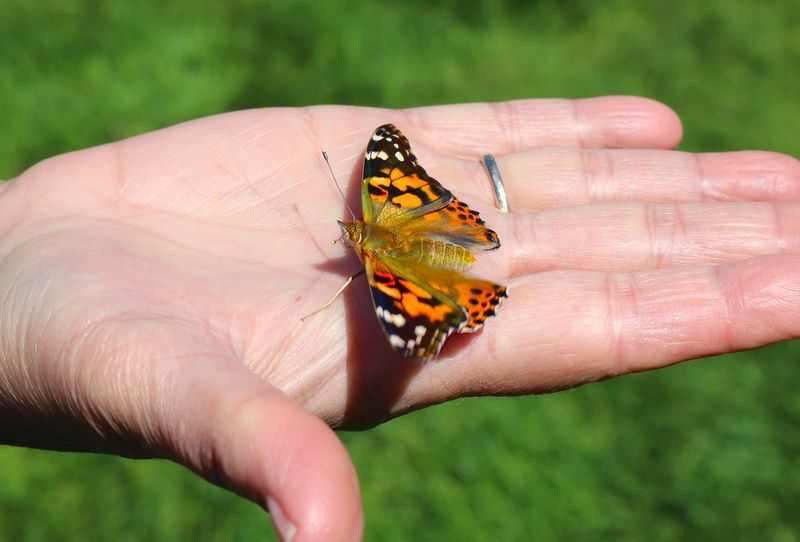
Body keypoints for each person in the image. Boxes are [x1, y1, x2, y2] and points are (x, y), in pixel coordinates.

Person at [0, 97, 797, 542]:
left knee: (397, 299)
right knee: (403, 299)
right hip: (431, 242)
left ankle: (454, 287)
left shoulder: (374, 252)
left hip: (414, 262)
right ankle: (460, 281)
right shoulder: (375, 233)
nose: (341, 243)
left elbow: (382, 176)